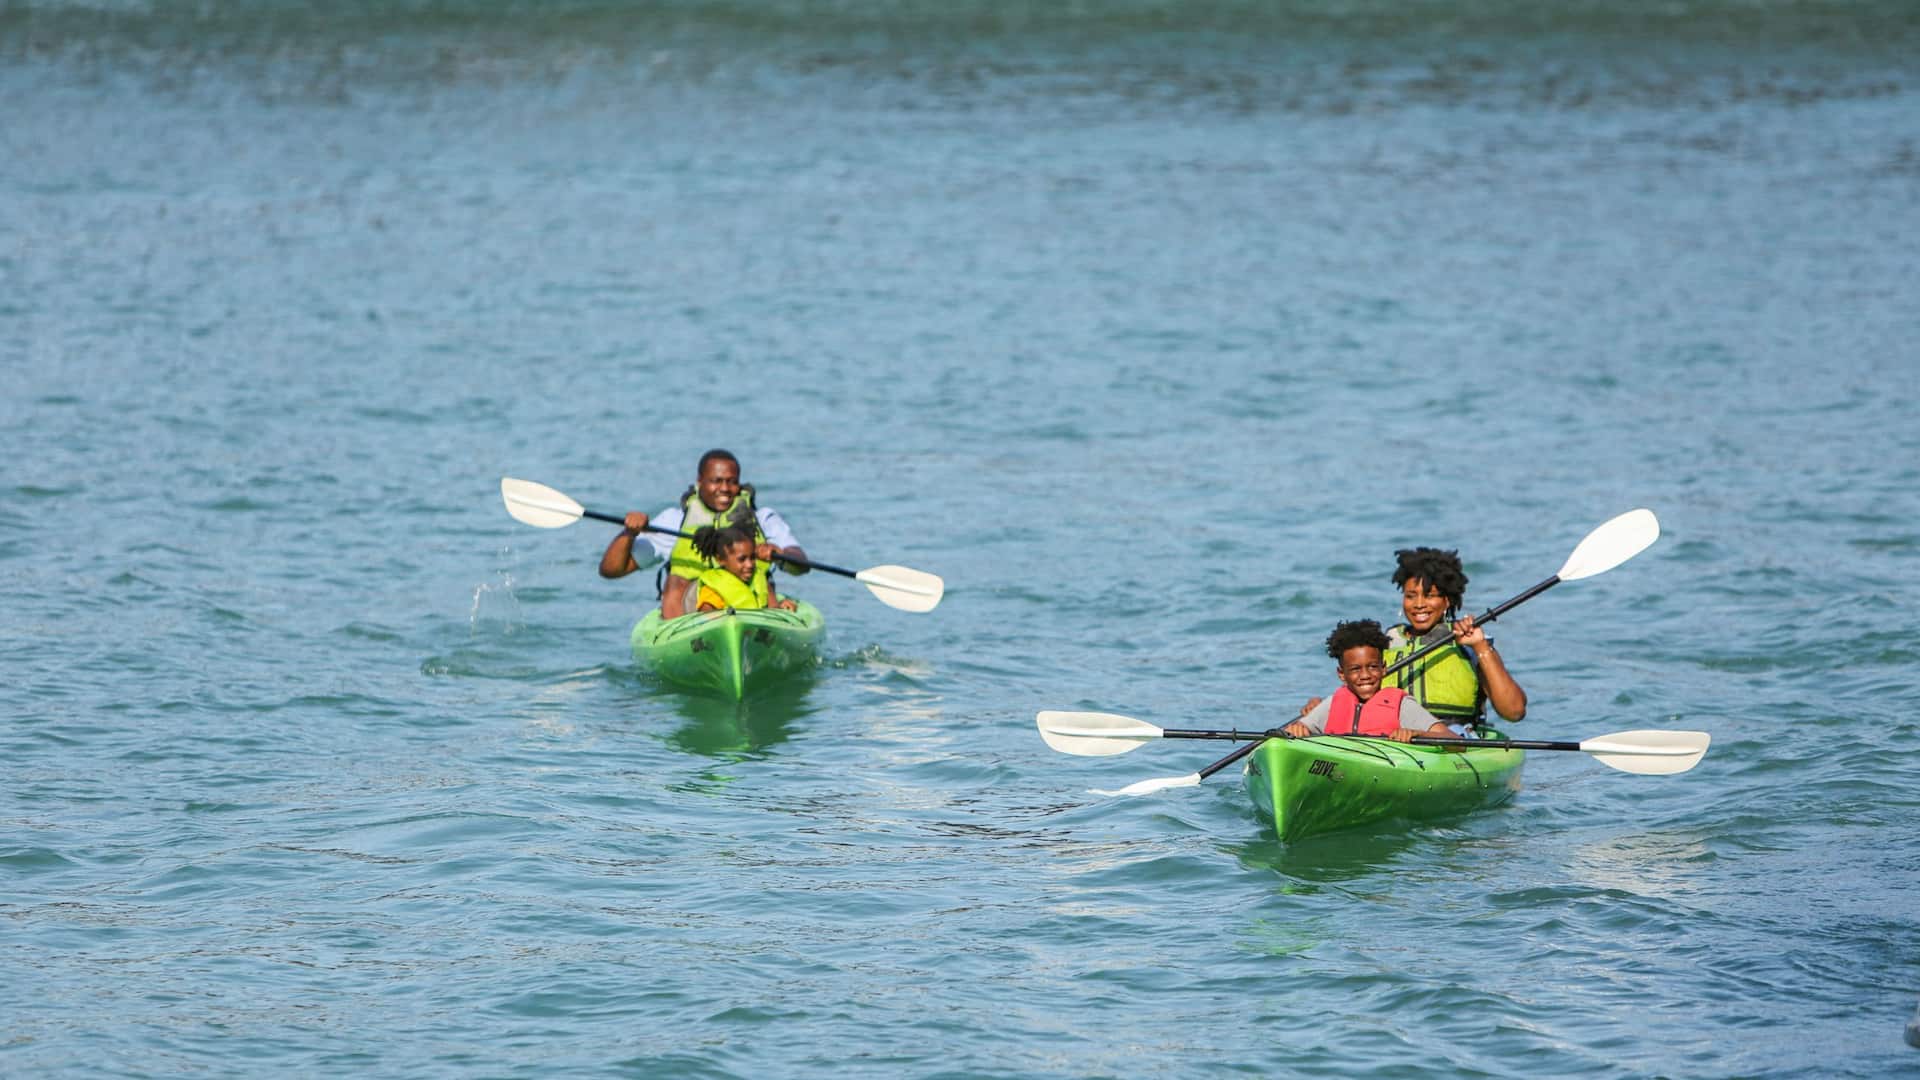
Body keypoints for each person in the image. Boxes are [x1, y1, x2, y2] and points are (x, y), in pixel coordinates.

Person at [598, 448, 808, 619]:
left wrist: (780, 554)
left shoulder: (762, 519)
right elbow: (611, 570)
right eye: (716, 480)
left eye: (732, 481)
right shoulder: (674, 521)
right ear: (700, 483)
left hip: (751, 604)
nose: (725, 488)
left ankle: (767, 622)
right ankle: (681, 637)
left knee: (763, 579)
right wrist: (629, 533)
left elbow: (801, 565)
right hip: (694, 612)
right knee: (675, 581)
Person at [1384, 546, 1527, 726]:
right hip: (1393, 735)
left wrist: (1480, 646)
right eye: (1410, 596)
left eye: (1430, 596)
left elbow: (1514, 712)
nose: (1419, 604)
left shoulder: (1469, 643)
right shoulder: (1385, 643)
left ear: (1447, 601)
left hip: (1454, 735)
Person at [1282, 620, 1457, 743]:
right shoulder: (1331, 704)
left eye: (1373, 667)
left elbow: (1453, 739)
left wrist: (1416, 734)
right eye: (1355, 669)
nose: (1365, 675)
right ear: (1341, 674)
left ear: (1384, 668)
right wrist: (1297, 730)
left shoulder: (1402, 705)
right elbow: (1298, 728)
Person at [690, 523, 797, 613]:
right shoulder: (712, 588)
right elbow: (706, 616)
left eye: (752, 557)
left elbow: (774, 609)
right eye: (742, 559)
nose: (749, 564)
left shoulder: (760, 578)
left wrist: (782, 606)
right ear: (720, 559)